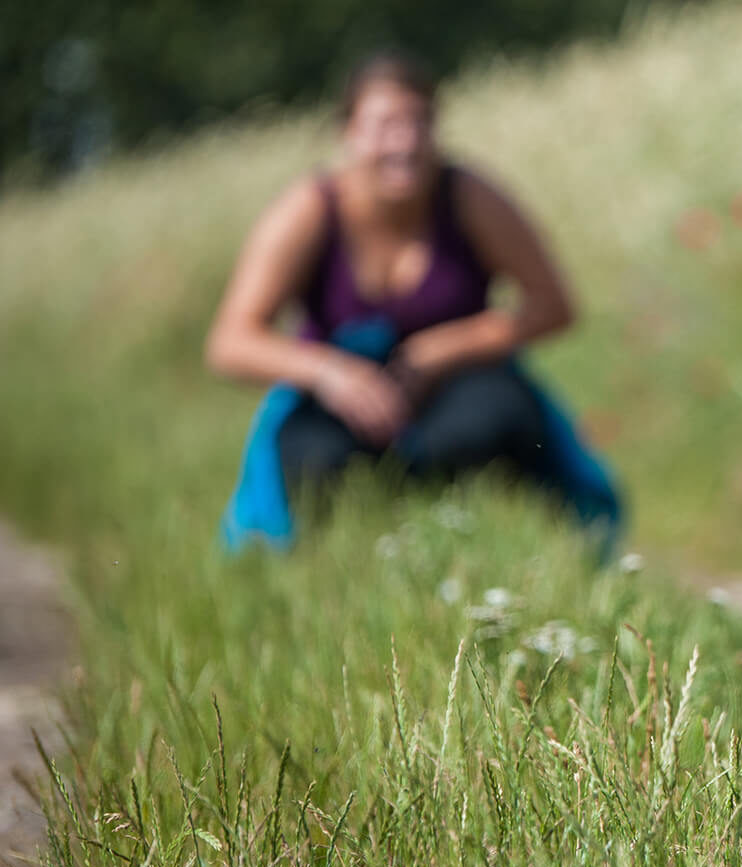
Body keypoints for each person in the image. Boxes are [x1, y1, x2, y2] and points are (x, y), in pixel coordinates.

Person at [208, 52, 620, 551]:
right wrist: (330, 374)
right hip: (340, 398)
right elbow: (231, 341)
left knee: (501, 416)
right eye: (384, 126)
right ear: (349, 133)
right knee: (310, 455)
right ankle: (343, 563)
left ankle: (518, 548)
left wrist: (443, 349)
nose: (404, 142)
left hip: (458, 389)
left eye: (418, 123)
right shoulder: (308, 210)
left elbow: (554, 307)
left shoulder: (470, 196)